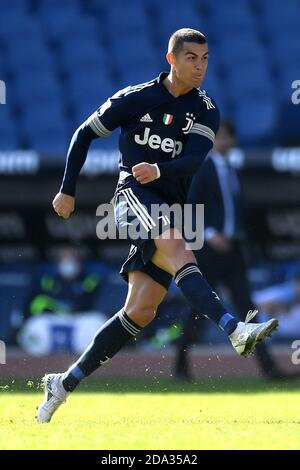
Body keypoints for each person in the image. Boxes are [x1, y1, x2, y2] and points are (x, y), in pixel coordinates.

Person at [36, 29, 278, 423]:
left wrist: (160, 168)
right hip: (131, 198)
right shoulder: (135, 98)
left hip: (165, 205)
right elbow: (83, 134)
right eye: (191, 58)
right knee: (181, 248)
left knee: (141, 311)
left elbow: (193, 161)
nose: (199, 66)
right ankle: (236, 330)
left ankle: (62, 383)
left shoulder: (206, 110)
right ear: (172, 59)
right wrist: (67, 190)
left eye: (205, 59)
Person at [174, 121, 295, 381]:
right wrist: (209, 234)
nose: (223, 142)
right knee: (200, 308)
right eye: (219, 138)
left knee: (246, 306)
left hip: (233, 251)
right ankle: (180, 364)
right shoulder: (203, 169)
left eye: (227, 137)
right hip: (209, 251)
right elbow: (190, 205)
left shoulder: (233, 170)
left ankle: (268, 368)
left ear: (233, 140)